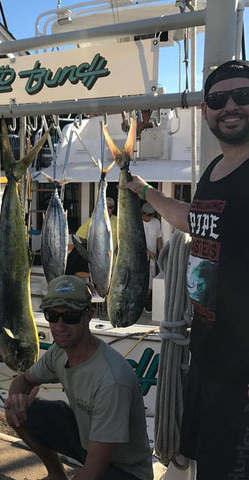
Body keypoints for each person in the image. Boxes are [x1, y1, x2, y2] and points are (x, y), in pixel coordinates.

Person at [121, 60, 249, 479]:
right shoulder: (215, 171)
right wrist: (143, 191)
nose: (230, 106)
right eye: (217, 99)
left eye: (242, 96)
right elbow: (194, 219)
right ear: (204, 111)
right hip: (210, 356)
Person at [4, 275, 153, 480]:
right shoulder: (59, 351)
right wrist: (16, 399)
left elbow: (93, 470)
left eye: (71, 316)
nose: (59, 325)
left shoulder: (111, 381)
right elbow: (23, 380)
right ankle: (56, 474)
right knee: (18, 411)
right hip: (88, 441)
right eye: (52, 315)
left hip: (125, 470)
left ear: (88, 315)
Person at [65, 197, 117, 279]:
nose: (106, 209)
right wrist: (90, 245)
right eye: (104, 207)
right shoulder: (93, 220)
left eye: (109, 207)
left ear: (113, 209)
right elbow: (81, 235)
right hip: (96, 260)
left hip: (112, 261)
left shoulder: (118, 221)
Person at [141, 202, 163, 313]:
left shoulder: (156, 222)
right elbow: (135, 242)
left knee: (150, 282)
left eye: (152, 215)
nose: (151, 217)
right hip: (139, 258)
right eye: (149, 215)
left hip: (152, 258)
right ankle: (141, 303)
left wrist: (162, 253)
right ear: (143, 214)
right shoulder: (137, 223)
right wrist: (146, 251)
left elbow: (159, 238)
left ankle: (144, 302)